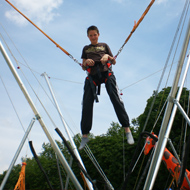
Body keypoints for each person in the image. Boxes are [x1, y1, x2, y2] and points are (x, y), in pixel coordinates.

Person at [79, 25, 134, 150]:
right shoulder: (86, 49)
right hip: (92, 77)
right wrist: (86, 62)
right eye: (90, 35)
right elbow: (83, 66)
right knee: (86, 104)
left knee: (115, 98)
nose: (93, 37)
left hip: (106, 73)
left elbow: (114, 61)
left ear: (98, 35)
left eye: (95, 35)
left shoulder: (104, 46)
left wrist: (107, 57)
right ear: (88, 36)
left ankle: (127, 129)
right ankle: (85, 135)